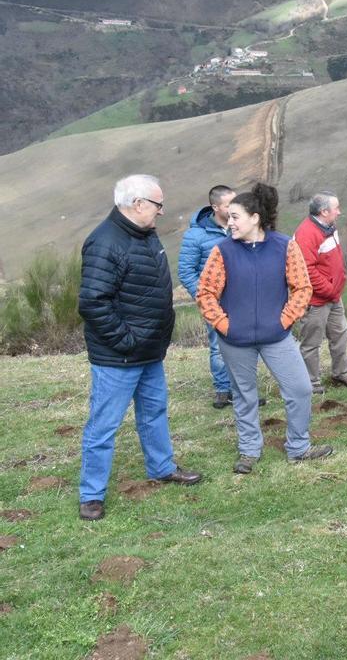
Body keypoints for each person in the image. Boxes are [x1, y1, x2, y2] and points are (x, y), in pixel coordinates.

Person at [77, 175, 201, 521]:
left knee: (154, 412)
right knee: (103, 424)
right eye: (158, 205)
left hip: (148, 351)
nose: (162, 212)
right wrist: (125, 341)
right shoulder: (105, 242)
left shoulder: (144, 235)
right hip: (119, 357)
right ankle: (91, 495)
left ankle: (162, 468)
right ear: (138, 204)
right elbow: (92, 302)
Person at [196, 183, 333, 473]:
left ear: (255, 217)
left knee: (300, 389)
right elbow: (205, 293)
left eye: (235, 216)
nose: (229, 222)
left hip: (276, 338)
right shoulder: (222, 251)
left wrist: (283, 321)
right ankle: (249, 451)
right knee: (244, 395)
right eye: (229, 216)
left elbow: (302, 288)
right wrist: (224, 325)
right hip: (234, 340)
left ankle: (298, 446)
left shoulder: (285, 246)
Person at [293, 191, 347, 394]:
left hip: (333, 296)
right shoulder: (306, 233)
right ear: (324, 212)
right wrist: (330, 289)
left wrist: (338, 285)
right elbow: (306, 270)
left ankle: (341, 373)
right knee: (311, 342)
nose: (339, 212)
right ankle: (311, 382)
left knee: (340, 334)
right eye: (336, 208)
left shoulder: (329, 227)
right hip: (316, 300)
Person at [178, 184, 236, 408]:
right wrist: (204, 297)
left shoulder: (238, 228)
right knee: (218, 345)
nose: (233, 208)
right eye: (229, 204)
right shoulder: (195, 235)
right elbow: (186, 271)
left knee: (245, 346)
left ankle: (243, 390)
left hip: (240, 300)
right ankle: (223, 390)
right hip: (214, 302)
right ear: (215, 206)